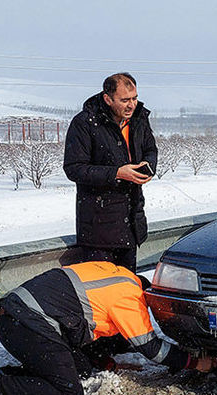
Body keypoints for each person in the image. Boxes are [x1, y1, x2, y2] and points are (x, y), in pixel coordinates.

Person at [0, 261, 215, 395]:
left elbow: (87, 326)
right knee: (68, 392)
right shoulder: (130, 299)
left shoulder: (118, 275)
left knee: (83, 370)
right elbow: (151, 349)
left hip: (18, 319)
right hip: (26, 326)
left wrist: (107, 363)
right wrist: (193, 362)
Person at [63, 72, 158, 272]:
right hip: (99, 229)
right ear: (108, 99)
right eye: (124, 100)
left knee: (128, 287)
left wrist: (148, 166)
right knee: (102, 288)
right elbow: (74, 168)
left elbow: (151, 149)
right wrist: (117, 173)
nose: (131, 105)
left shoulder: (139, 119)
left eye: (134, 98)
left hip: (131, 222)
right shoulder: (85, 123)